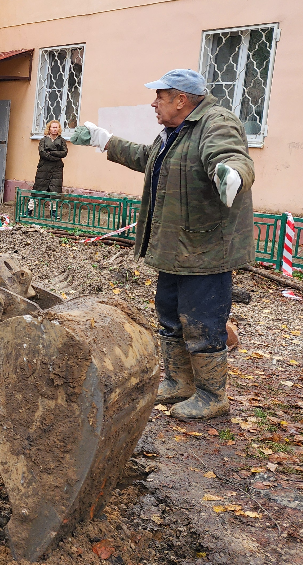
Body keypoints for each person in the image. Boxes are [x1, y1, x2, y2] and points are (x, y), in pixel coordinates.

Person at [70, 69, 254, 420]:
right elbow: (148, 160)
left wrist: (231, 173)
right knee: (170, 316)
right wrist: (104, 139)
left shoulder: (216, 123)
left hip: (206, 248)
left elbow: (230, 156)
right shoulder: (174, 133)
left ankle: (212, 395)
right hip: (174, 246)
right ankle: (179, 382)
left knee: (202, 322)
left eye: (161, 97)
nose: (154, 103)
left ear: (182, 100)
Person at [29, 119, 67, 218]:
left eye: (56, 127)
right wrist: (55, 157)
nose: (54, 129)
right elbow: (42, 153)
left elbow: (64, 153)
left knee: (54, 192)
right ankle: (29, 211)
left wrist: (51, 152)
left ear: (59, 129)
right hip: (44, 168)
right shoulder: (43, 140)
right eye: (53, 127)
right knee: (38, 189)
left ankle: (53, 213)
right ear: (49, 129)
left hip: (56, 170)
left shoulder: (61, 140)